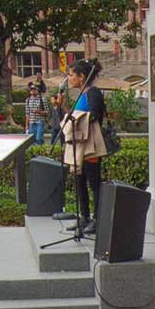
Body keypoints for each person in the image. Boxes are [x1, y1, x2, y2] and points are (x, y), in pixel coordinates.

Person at [61, 60, 110, 234]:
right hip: (79, 144)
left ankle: (97, 219)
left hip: (91, 145)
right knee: (79, 180)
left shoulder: (93, 93)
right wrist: (63, 108)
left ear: (82, 77)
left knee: (93, 182)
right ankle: (84, 216)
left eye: (72, 74)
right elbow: (74, 117)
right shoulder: (82, 94)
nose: (69, 78)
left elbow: (94, 116)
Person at [23, 81, 46, 146]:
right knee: (32, 140)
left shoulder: (42, 99)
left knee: (39, 138)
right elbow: (27, 114)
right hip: (32, 122)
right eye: (31, 90)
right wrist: (26, 125)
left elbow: (46, 112)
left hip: (40, 121)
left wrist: (38, 111)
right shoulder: (28, 100)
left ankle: (40, 152)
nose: (33, 91)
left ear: (37, 91)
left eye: (34, 89)